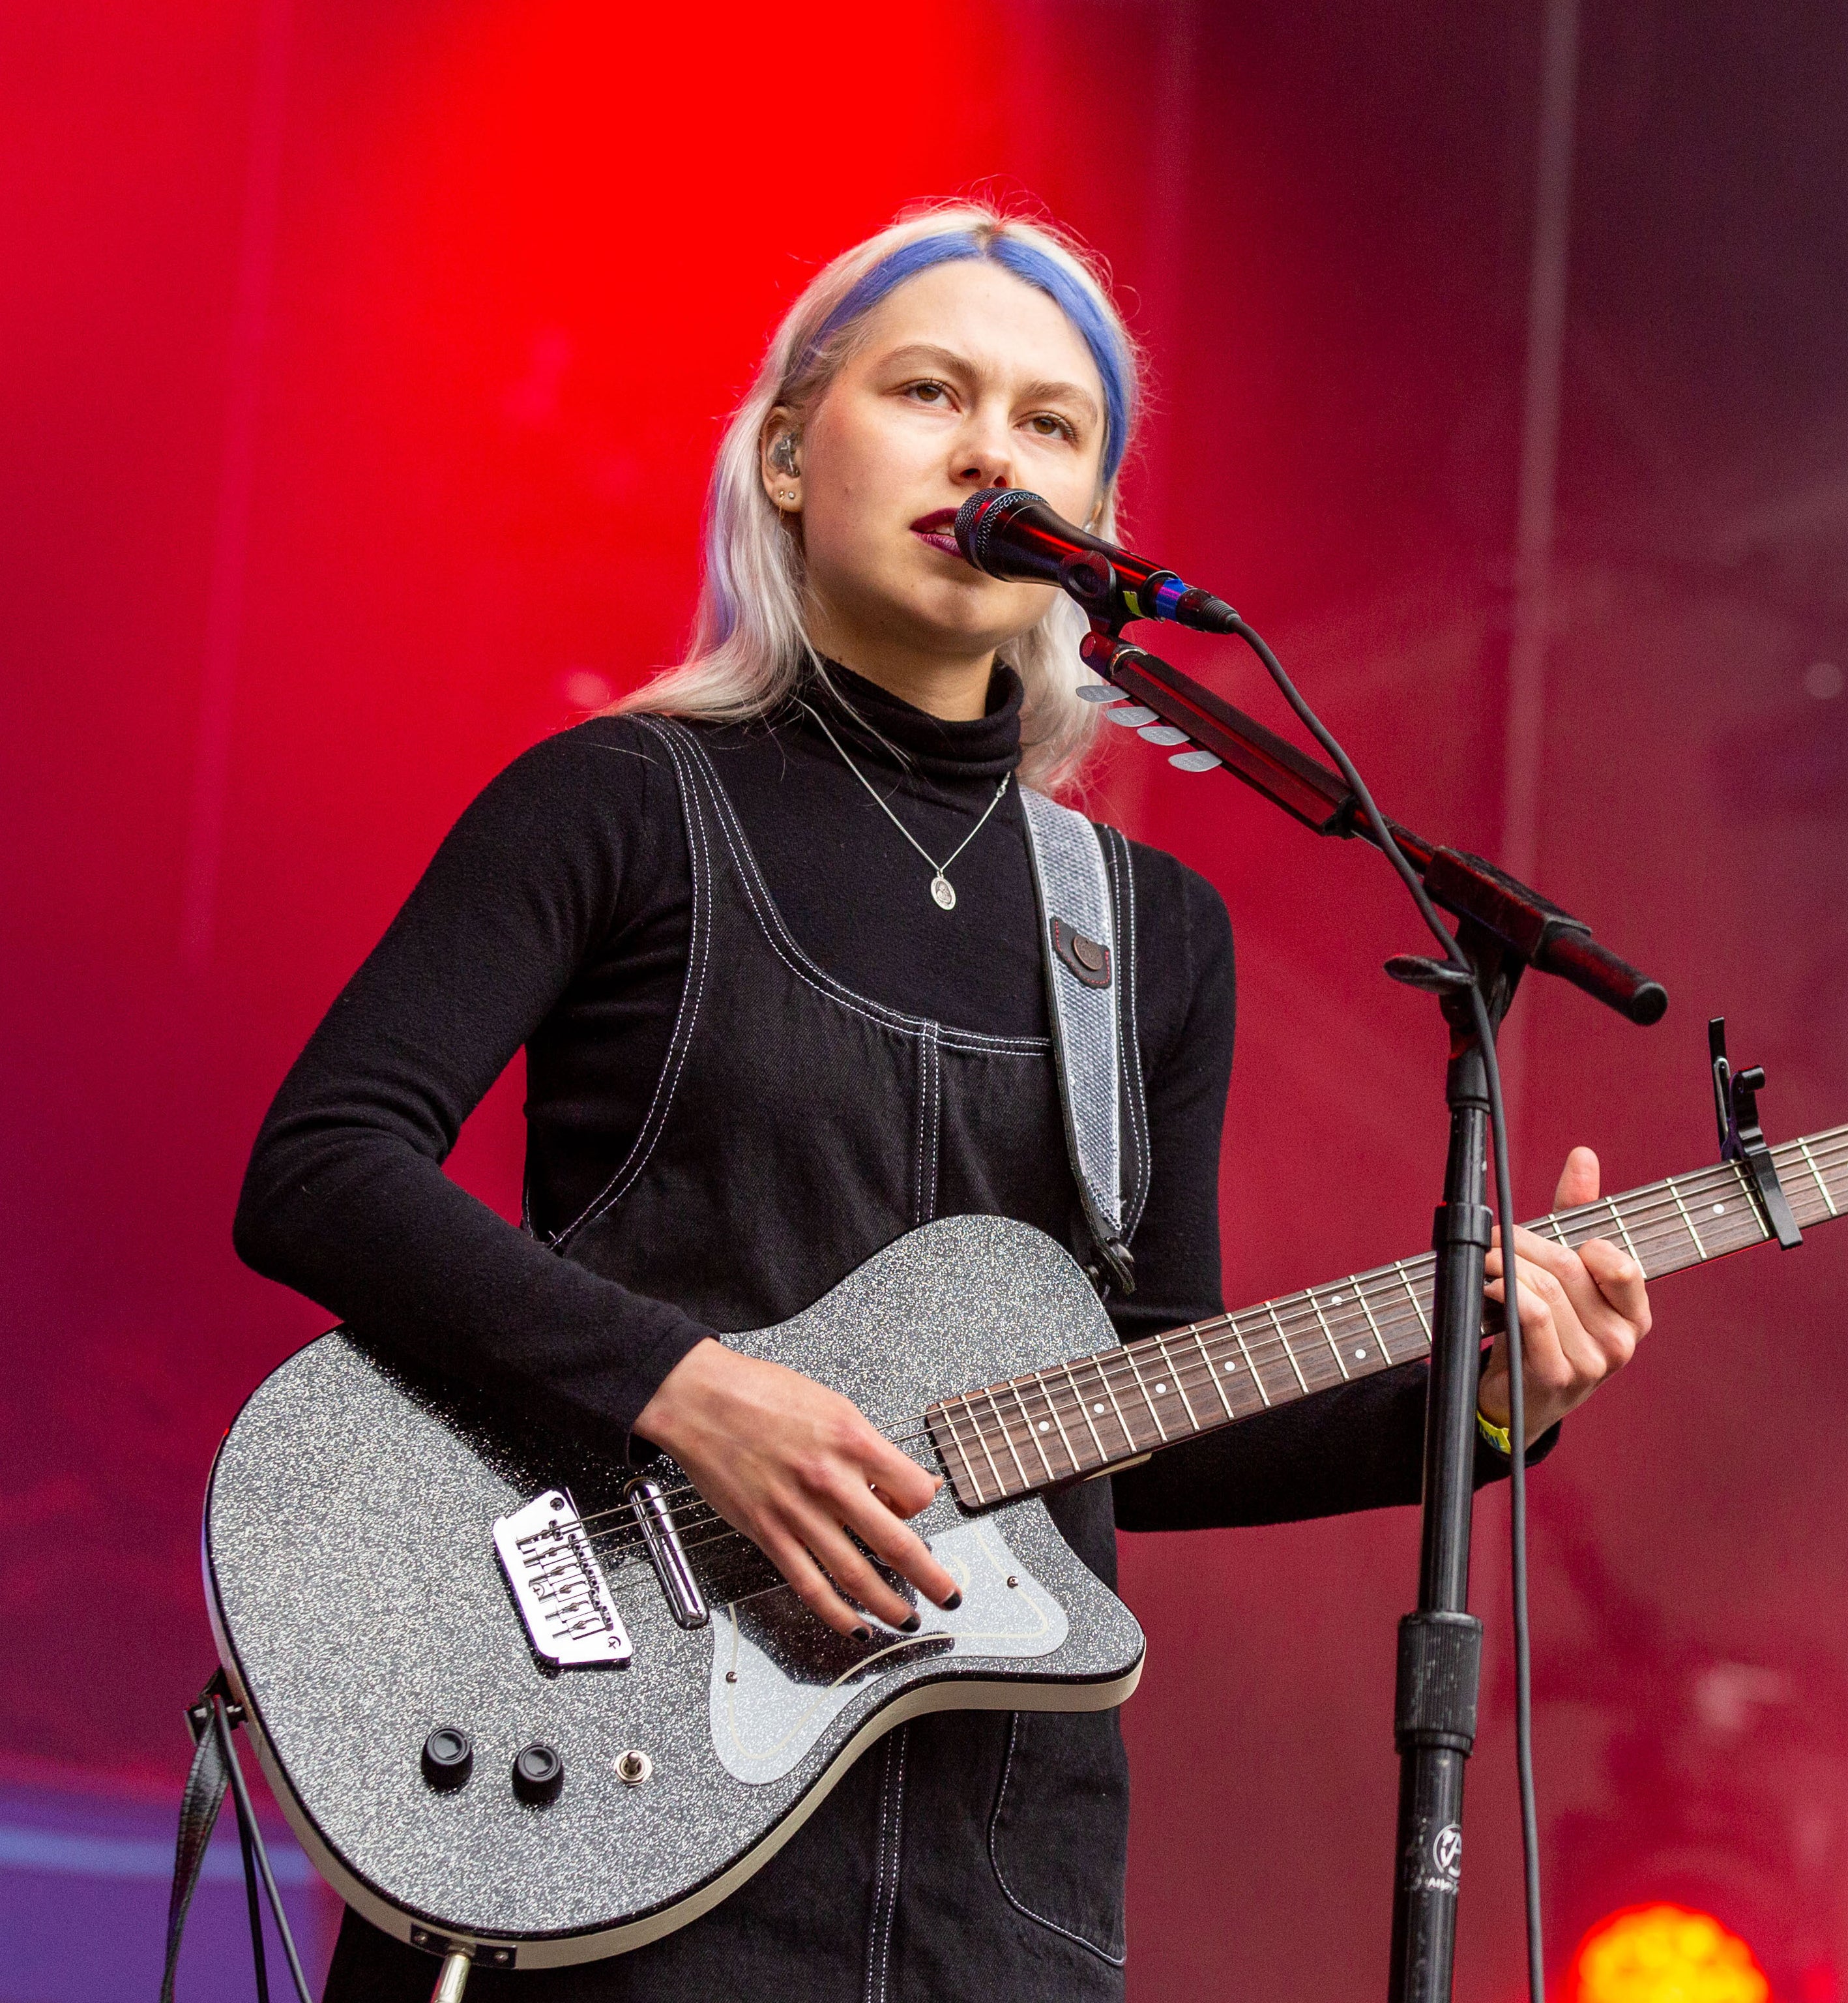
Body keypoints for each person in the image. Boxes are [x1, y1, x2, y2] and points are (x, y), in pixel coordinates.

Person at [234, 201, 1653, 2000]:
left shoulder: (1144, 934)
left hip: (993, 1888)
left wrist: (1488, 1403)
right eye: (930, 391)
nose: (995, 449)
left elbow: (1146, 1415)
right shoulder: (618, 802)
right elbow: (321, 1168)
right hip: (597, 1804)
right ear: (783, 454)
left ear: (1096, 534)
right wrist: (684, 1393)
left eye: (1054, 426)